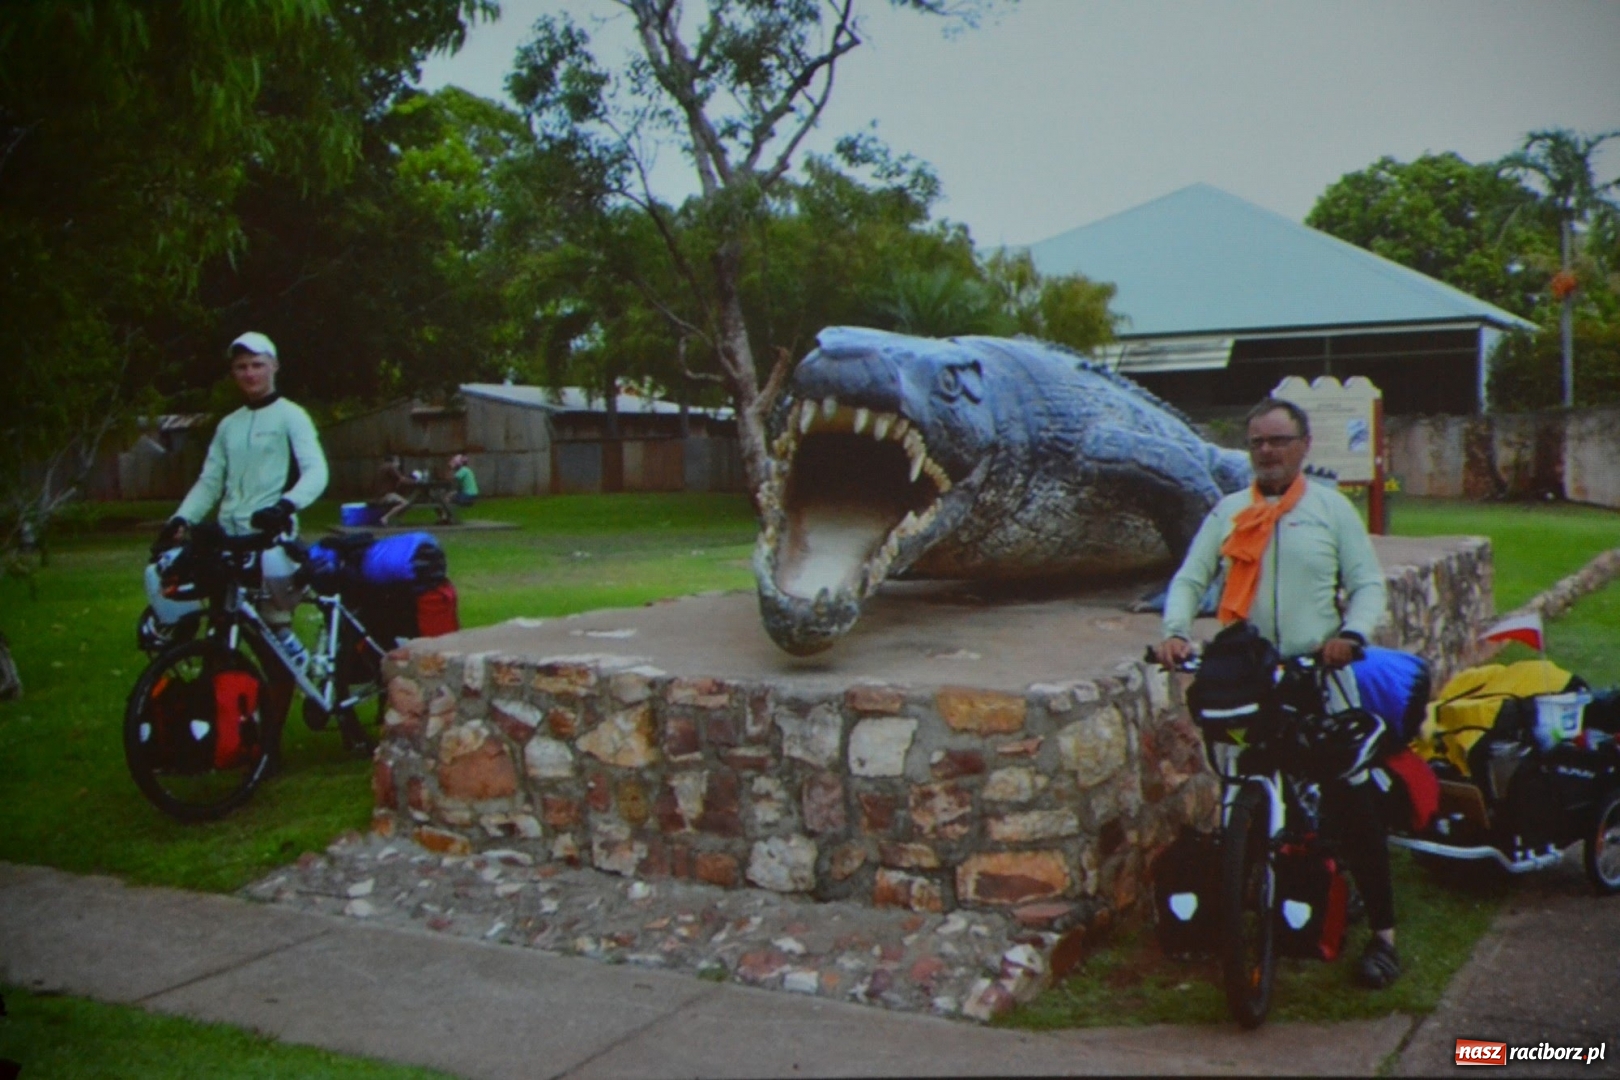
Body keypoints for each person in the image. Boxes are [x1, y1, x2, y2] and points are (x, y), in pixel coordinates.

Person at [1154, 397, 1400, 990]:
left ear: (1303, 445)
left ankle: (1386, 938)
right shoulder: (1229, 511)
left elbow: (1368, 585)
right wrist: (1176, 632)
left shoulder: (1329, 509)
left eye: (1279, 440)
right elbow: (1190, 579)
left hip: (1321, 674)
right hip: (1251, 675)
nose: (1268, 451)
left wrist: (1351, 634)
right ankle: (1252, 903)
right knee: (1244, 790)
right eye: (1258, 441)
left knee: (1352, 801)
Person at [154, 331, 329, 734]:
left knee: (274, 642)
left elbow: (316, 470)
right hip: (228, 545)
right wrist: (180, 520)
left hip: (270, 543)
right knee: (221, 636)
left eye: (256, 365)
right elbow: (210, 482)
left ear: (274, 366)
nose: (249, 374)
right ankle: (224, 731)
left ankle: (271, 742)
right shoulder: (229, 426)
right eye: (240, 367)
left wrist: (286, 505)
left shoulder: (290, 415)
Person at [375, 454, 412, 527]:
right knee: (405, 503)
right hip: (386, 495)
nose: (399, 464)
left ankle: (397, 520)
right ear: (393, 461)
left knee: (402, 500)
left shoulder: (381, 467)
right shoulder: (390, 467)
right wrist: (413, 481)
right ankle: (385, 518)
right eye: (397, 461)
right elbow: (401, 479)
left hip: (380, 494)